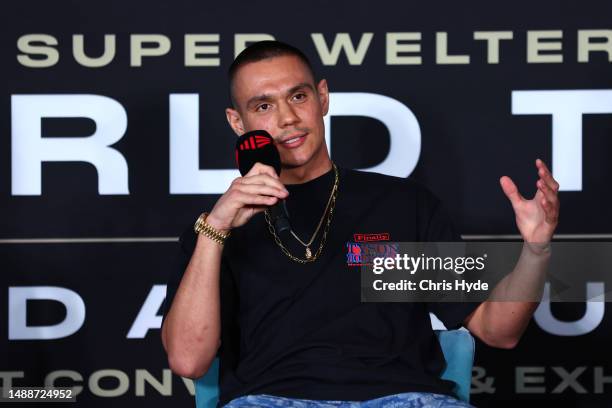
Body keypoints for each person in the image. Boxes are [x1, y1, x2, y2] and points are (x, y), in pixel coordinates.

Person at [161, 41, 560, 408]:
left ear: (322, 97)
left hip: (404, 398)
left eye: (298, 97)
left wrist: (536, 249)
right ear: (237, 121)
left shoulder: (403, 205)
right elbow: (188, 360)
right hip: (270, 400)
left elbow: (496, 329)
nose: (286, 119)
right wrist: (215, 230)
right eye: (263, 106)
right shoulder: (218, 226)